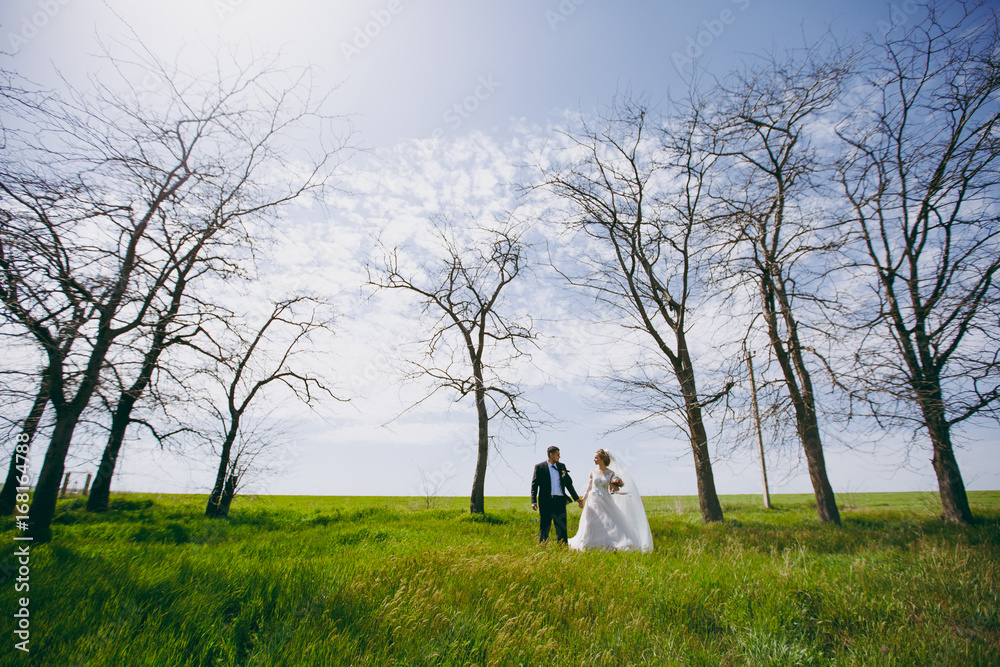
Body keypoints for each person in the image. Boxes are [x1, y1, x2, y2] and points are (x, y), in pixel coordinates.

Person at [568, 448, 653, 552]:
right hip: (593, 500)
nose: (594, 459)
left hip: (605, 500)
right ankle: (588, 544)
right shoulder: (593, 471)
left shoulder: (611, 473)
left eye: (596, 457)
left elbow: (611, 489)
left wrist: (615, 487)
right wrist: (582, 500)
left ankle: (609, 543)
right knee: (591, 522)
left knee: (608, 521)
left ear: (602, 459)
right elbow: (589, 487)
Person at [530, 446, 584, 544]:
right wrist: (533, 501)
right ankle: (543, 546)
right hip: (546, 501)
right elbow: (534, 485)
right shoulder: (539, 467)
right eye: (557, 455)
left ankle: (563, 548)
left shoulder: (561, 466)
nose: (559, 457)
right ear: (551, 455)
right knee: (545, 525)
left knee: (562, 526)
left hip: (559, 501)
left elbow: (568, 484)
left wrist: (577, 499)